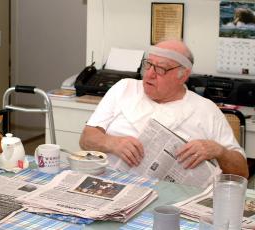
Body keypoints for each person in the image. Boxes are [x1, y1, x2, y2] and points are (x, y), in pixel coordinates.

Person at [79, 40, 248, 178]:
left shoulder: (206, 110)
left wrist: (219, 151)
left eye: (160, 69)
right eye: (149, 65)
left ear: (184, 75)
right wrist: (112, 143)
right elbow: (86, 139)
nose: (150, 74)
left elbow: (242, 172)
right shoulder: (124, 88)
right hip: (113, 183)